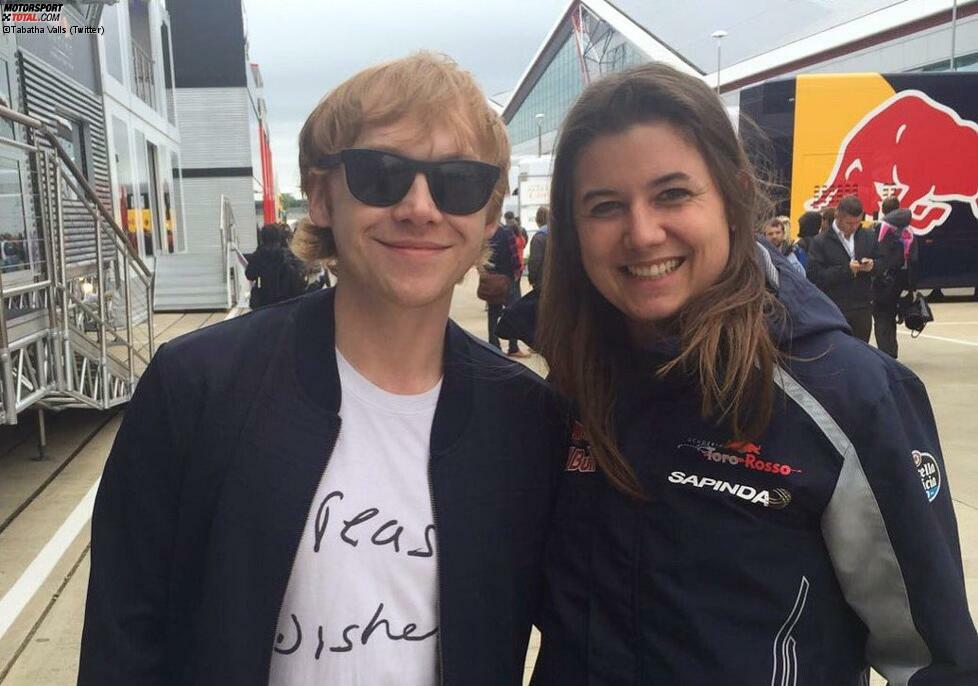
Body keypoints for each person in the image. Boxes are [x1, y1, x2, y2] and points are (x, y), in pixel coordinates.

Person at [78, 52, 565, 686]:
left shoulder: (530, 421)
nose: (420, 206)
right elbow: (124, 637)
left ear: (487, 214)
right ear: (321, 197)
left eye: (459, 181)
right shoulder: (197, 386)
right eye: (381, 172)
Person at [531, 62, 978, 685]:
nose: (641, 232)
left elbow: (933, 662)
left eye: (673, 194)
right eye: (605, 206)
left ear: (733, 195)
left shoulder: (843, 394)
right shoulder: (570, 384)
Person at [806, 195, 879, 342]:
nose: (854, 227)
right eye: (849, 223)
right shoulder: (820, 242)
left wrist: (872, 266)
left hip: (862, 307)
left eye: (858, 222)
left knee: (861, 352)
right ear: (837, 216)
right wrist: (846, 270)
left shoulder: (868, 236)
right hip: (835, 308)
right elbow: (815, 276)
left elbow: (883, 261)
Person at [873, 198, 917, 358]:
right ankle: (892, 351)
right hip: (903, 278)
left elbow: (877, 252)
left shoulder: (882, 227)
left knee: (881, 314)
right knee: (890, 314)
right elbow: (915, 258)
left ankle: (886, 353)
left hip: (885, 278)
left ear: (884, 210)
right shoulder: (909, 229)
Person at [245, 223, 307, 309]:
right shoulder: (288, 254)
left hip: (264, 301)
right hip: (286, 301)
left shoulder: (258, 255)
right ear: (279, 237)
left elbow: (249, 275)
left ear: (262, 238)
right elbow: (300, 273)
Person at [527, 205, 549, 290]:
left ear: (537, 220)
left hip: (542, 281)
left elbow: (535, 260)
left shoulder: (538, 237)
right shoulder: (556, 233)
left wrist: (531, 277)